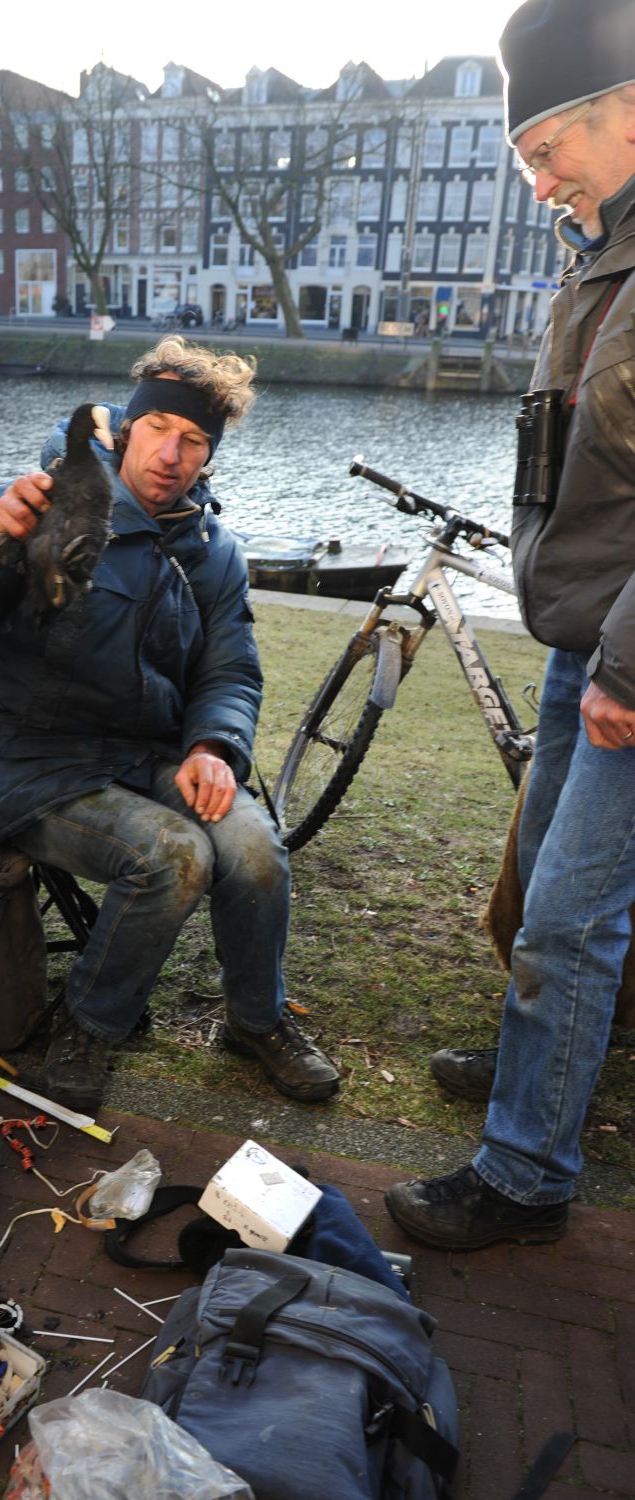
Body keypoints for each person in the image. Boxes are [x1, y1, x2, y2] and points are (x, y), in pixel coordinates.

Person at [0, 336, 340, 1113]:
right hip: (35, 766)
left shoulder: (215, 550)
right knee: (174, 856)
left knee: (256, 848)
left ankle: (257, 1020)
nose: (171, 451)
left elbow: (230, 669)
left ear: (208, 456)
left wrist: (212, 745)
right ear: (127, 428)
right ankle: (90, 1024)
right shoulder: (45, 505)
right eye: (158, 427)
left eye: (193, 439)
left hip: (153, 757)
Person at [387, 0, 635, 1251]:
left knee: (570, 916)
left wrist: (625, 668)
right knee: (538, 885)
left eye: (550, 145)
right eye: (523, 155)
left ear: (628, 106)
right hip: (579, 631)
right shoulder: (596, 254)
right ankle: (530, 1067)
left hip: (626, 658)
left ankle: (526, 1173)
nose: (536, 175)